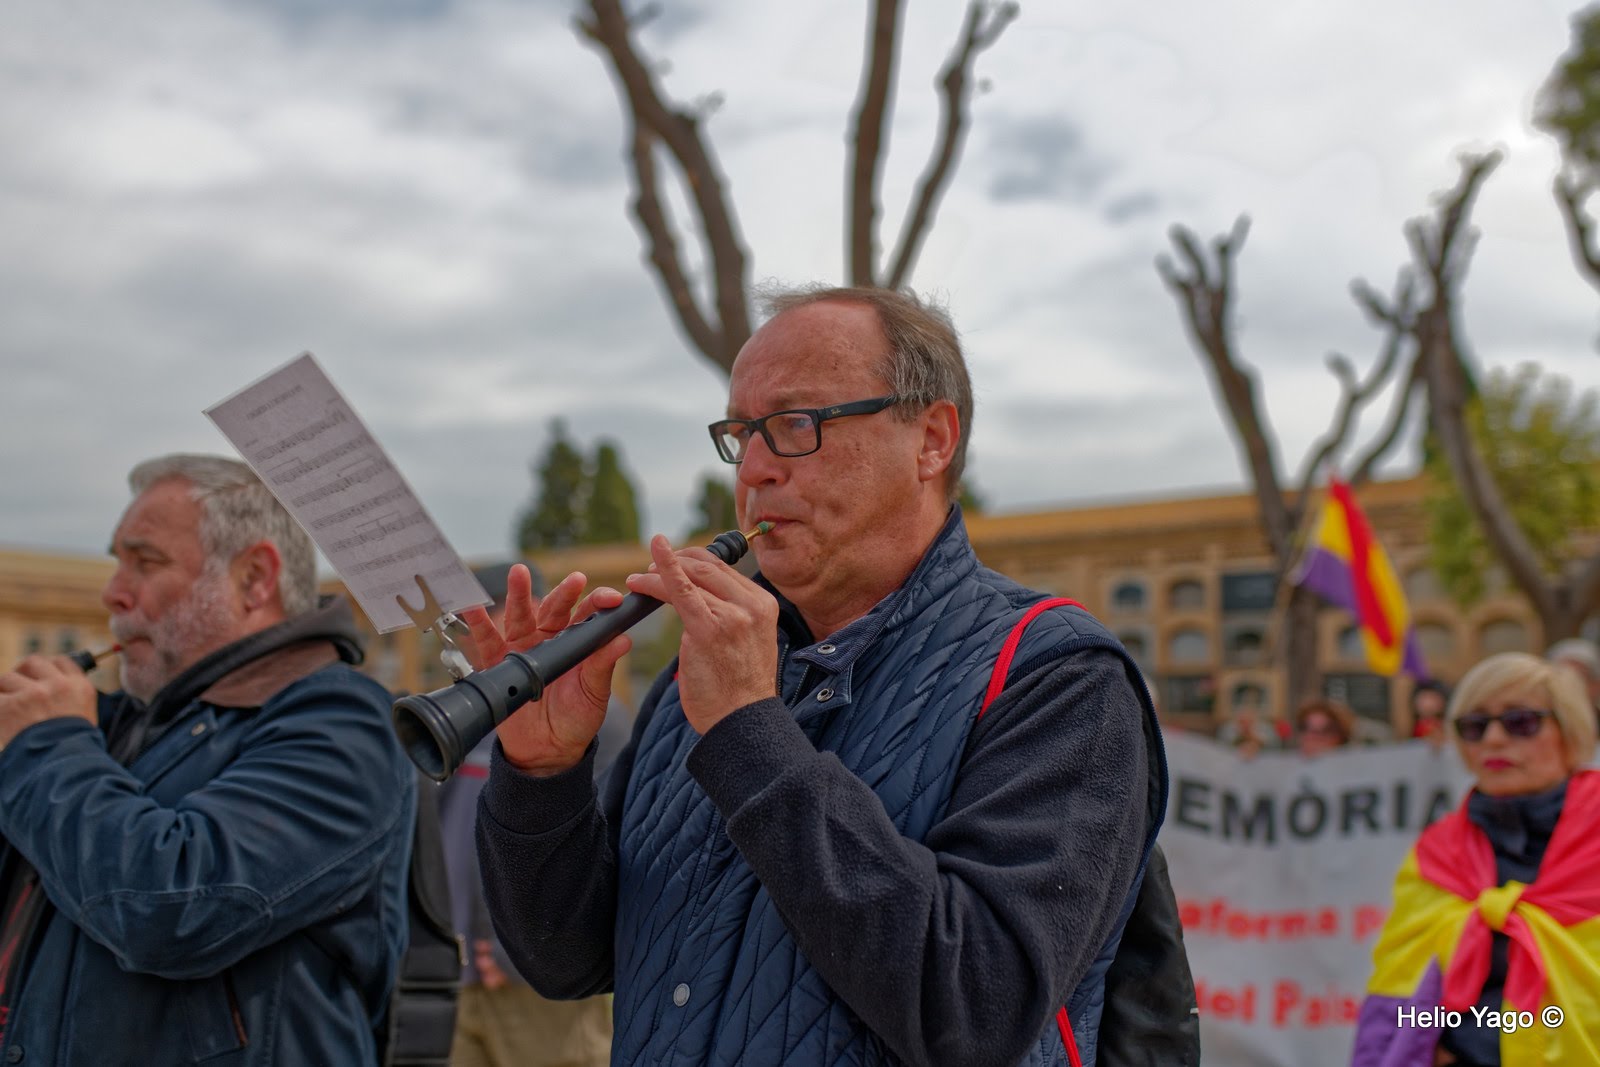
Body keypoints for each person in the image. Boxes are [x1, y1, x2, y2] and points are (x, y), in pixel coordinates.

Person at [469, 286, 1166, 1066]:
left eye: (797, 425)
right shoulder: (701, 670)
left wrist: (747, 730)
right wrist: (542, 772)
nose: (757, 470)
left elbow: (973, 1008)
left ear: (931, 439)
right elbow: (568, 959)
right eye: (742, 434)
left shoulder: (1059, 675)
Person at [0, 454, 415, 1066]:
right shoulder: (126, 721)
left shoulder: (345, 722)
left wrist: (45, 742)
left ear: (254, 579)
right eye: (118, 562)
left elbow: (170, 908)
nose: (113, 593)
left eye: (146, 562)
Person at [1350, 652, 1600, 1066]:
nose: (1493, 740)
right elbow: (1400, 993)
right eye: (1474, 726)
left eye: (1521, 721)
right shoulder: (1438, 852)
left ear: (1568, 731)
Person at [438, 562, 613, 1067]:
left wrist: (508, 948)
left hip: (535, 979)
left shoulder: (582, 708)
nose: (477, 632)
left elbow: (592, 842)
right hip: (467, 974)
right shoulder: (470, 710)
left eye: (484, 615)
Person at [1409, 679, 1450, 747]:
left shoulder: (1444, 724)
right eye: (1424, 698)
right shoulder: (1412, 725)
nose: (1428, 703)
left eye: (1432, 698)